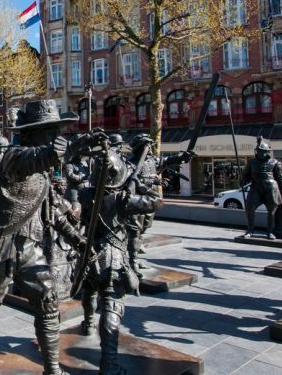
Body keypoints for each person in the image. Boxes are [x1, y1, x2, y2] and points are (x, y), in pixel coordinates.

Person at [0, 101, 84, 375]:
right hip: (0, 248)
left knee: (48, 301)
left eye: (55, 131)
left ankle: (52, 368)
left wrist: (77, 239)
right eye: (48, 131)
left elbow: (53, 214)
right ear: (30, 134)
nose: (54, 135)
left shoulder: (43, 173)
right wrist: (57, 151)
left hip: (30, 249)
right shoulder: (15, 158)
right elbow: (37, 157)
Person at [74, 134, 163, 375]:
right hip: (113, 256)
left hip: (90, 252)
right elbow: (156, 201)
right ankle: (109, 364)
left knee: (90, 291)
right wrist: (139, 185)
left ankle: (88, 324)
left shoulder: (85, 195)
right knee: (112, 306)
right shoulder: (124, 199)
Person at [124, 134, 194, 276]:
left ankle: (134, 256)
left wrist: (181, 157)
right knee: (134, 231)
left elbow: (167, 160)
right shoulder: (130, 163)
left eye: (150, 145)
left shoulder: (152, 161)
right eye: (146, 145)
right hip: (137, 200)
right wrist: (146, 184)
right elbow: (129, 183)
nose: (149, 148)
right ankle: (131, 261)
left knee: (145, 227)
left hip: (150, 199)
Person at [242, 136, 282, 240]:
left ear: (266, 151)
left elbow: (279, 177)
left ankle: (270, 232)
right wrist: (243, 181)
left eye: (262, 151)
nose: (259, 153)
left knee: (271, 211)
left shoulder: (274, 162)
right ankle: (250, 230)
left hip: (271, 189)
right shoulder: (251, 162)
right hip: (256, 188)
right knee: (250, 207)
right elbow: (246, 174)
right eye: (258, 151)